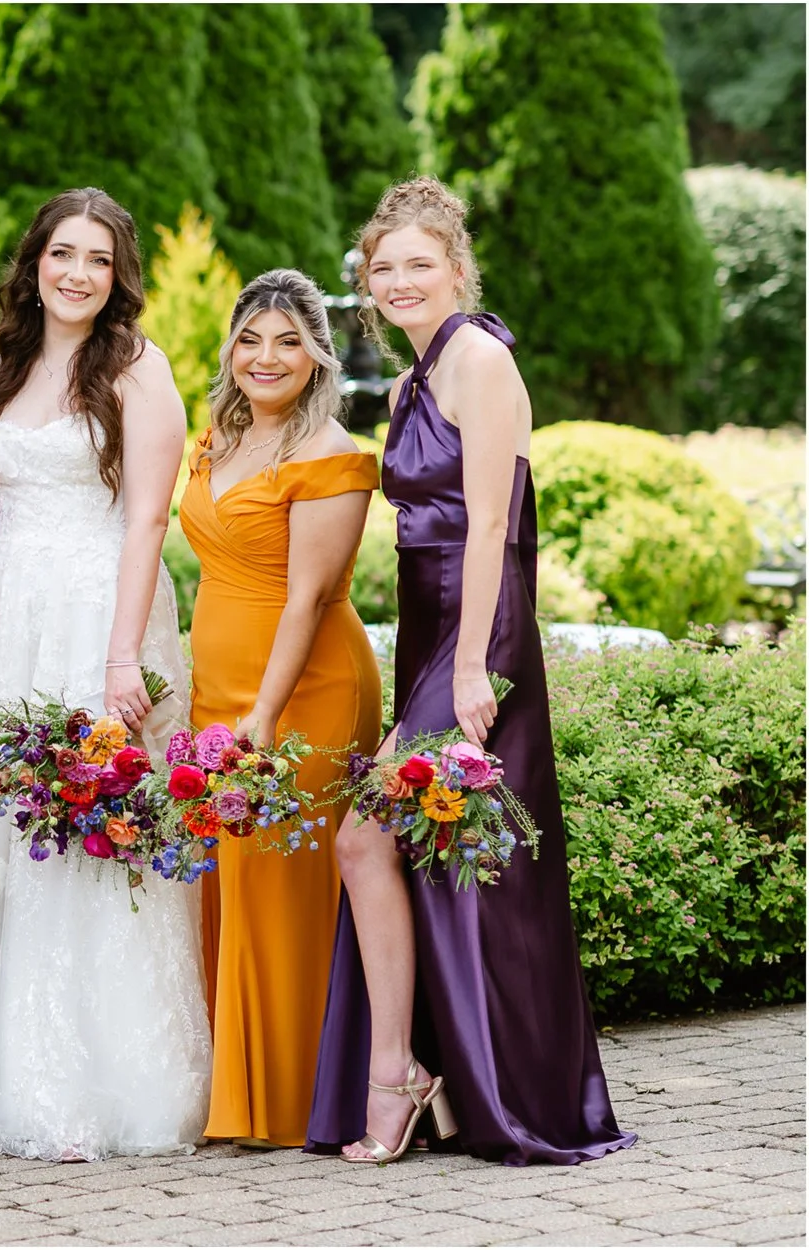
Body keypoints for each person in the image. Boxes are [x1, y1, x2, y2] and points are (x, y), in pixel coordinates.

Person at [306, 178, 633, 1166]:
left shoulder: (479, 359)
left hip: (473, 639)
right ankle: (424, 1074)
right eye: (383, 266)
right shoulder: (408, 382)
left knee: (372, 839)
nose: (399, 280)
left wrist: (473, 671)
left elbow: (491, 523)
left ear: (456, 268)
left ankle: (418, 1079)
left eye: (419, 263)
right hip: (424, 631)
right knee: (433, 855)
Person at [0, 187, 210, 1162]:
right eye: (61, 252)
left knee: (88, 832)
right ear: (33, 261)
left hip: (96, 617)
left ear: (118, 278)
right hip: (8, 618)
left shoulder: (139, 369)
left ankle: (103, 1080)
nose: (76, 272)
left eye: (98, 259)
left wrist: (122, 655)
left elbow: (148, 518)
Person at [180, 268, 381, 1149]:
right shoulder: (214, 440)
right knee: (228, 876)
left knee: (282, 881)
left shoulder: (328, 454)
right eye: (251, 338)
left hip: (303, 693)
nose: (267, 357)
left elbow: (306, 600)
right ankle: (238, 1088)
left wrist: (261, 715)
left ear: (318, 356)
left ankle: (299, 1094)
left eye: (289, 340)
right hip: (215, 687)